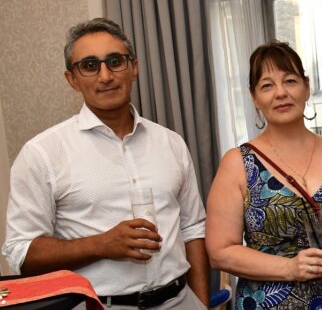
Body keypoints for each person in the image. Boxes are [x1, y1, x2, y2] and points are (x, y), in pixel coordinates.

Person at [2, 18, 209, 309]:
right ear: (72, 79)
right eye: (89, 65)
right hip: (100, 304)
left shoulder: (170, 142)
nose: (105, 76)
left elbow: (193, 229)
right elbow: (21, 252)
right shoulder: (42, 153)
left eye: (115, 61)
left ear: (133, 68)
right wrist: (101, 244)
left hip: (181, 301)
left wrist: (201, 300)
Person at [205, 40, 322, 309]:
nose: (280, 93)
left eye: (290, 81)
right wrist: (289, 268)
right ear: (254, 97)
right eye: (267, 86)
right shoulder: (238, 163)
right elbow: (220, 253)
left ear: (306, 87)